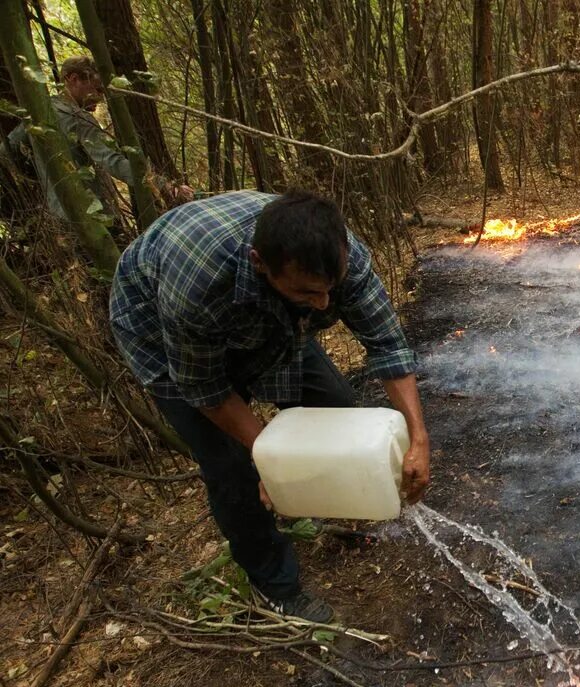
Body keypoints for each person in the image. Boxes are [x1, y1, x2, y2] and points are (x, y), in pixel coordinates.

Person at [110, 189, 431, 622]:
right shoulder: (200, 285)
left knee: (336, 411)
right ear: (261, 263)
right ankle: (276, 586)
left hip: (268, 317)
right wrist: (271, 459)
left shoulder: (339, 257)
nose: (322, 304)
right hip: (160, 331)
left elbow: (388, 345)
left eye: (328, 291)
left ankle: (317, 504)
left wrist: (419, 437)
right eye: (308, 293)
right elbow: (205, 389)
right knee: (234, 467)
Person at [5, 55, 192, 221]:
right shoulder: (77, 118)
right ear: (74, 79)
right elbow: (112, 161)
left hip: (59, 216)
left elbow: (7, 151)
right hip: (93, 218)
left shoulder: (40, 111)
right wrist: (164, 185)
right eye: (97, 90)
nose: (100, 98)